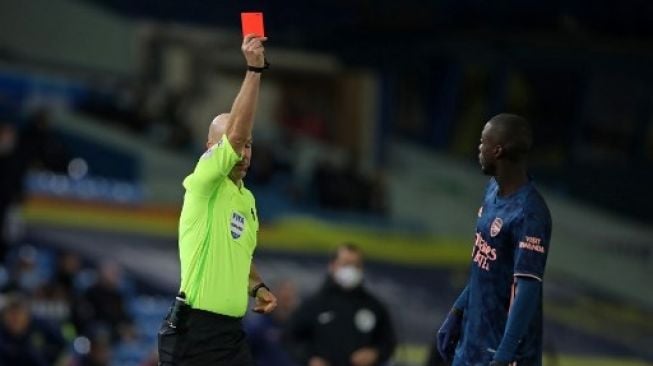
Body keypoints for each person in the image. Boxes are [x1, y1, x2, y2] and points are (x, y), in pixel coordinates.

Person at [157, 33, 277, 366]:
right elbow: (236, 133)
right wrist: (254, 71)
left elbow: (239, 254)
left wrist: (257, 287)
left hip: (230, 333)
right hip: (193, 333)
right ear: (211, 149)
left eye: (250, 146)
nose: (243, 151)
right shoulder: (204, 182)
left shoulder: (247, 200)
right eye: (237, 145)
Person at [436, 114, 552, 366]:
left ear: (497, 150)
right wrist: (457, 311)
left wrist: (504, 355)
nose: (479, 148)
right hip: (471, 345)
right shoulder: (491, 191)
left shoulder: (529, 214)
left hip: (503, 354)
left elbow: (527, 291)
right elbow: (486, 268)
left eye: (482, 142)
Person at [287, 243, 396, 366]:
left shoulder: (374, 306)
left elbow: (388, 341)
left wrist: (375, 353)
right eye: (346, 264)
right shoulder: (314, 305)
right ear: (332, 266)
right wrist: (310, 359)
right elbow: (291, 338)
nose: (351, 270)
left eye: (356, 265)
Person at [244, 279, 299, 366]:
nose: (286, 304)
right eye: (284, 299)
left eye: (290, 299)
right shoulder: (259, 327)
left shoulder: (299, 328)